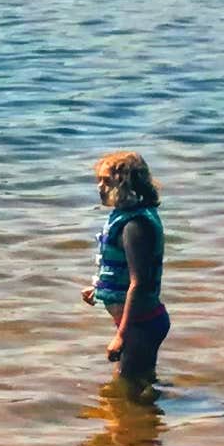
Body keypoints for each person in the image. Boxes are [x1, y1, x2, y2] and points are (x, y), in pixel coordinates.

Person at [85, 150, 169, 388]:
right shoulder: (128, 218)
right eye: (99, 181)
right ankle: (149, 419)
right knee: (140, 382)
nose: (100, 187)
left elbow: (138, 282)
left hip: (141, 324)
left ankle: (134, 423)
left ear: (126, 184)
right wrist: (99, 289)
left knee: (125, 388)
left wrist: (121, 336)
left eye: (107, 181)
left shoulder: (134, 226)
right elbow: (121, 273)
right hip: (141, 322)